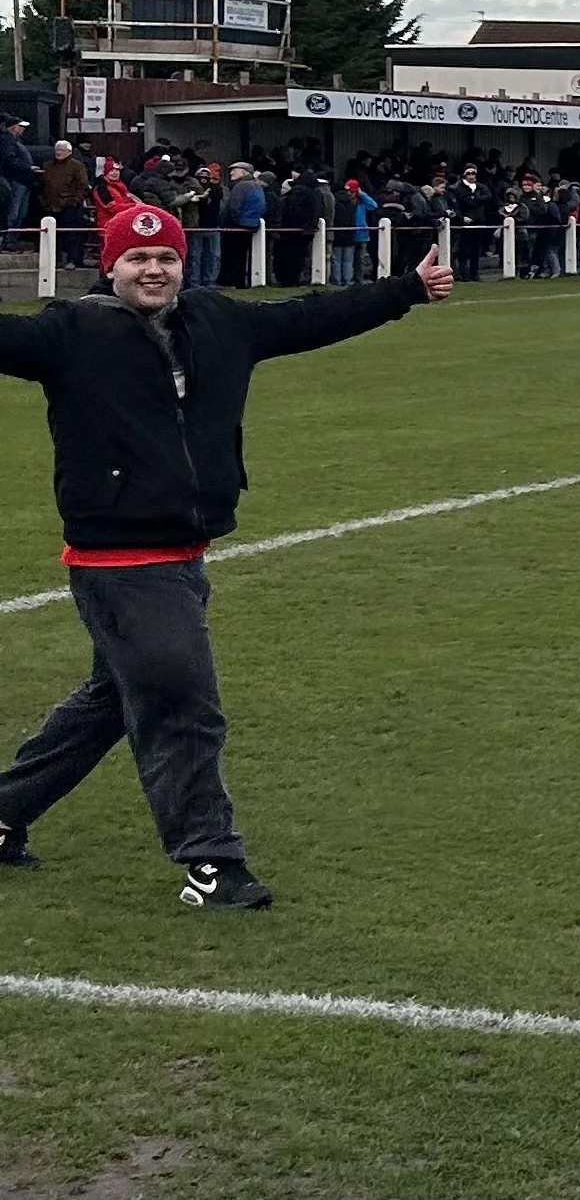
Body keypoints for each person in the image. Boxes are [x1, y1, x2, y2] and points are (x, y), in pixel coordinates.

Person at [0, 205, 454, 906]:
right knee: (183, 703)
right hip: (119, 562)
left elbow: (307, 317)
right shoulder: (71, 333)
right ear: (112, 267)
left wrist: (406, 291)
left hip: (182, 552)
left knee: (112, 700)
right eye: (138, 260)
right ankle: (210, 860)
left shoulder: (217, 321)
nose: (153, 271)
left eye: (166, 260)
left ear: (183, 264)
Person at [41, 140, 92, 270]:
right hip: (51, 206)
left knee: (72, 236)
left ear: (69, 152)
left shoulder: (77, 166)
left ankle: (73, 260)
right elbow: (41, 186)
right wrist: (43, 201)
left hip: (71, 206)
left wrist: (75, 201)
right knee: (52, 237)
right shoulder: (47, 166)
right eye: (57, 150)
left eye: (62, 150)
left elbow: (83, 186)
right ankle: (54, 260)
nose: (59, 153)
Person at [0, 115, 38, 250]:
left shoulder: (15, 142)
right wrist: (27, 167)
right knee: (13, 212)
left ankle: (13, 239)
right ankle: (7, 239)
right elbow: (9, 160)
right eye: (20, 127)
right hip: (16, 180)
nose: (22, 130)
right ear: (12, 127)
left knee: (20, 213)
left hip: (24, 181)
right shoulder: (6, 141)